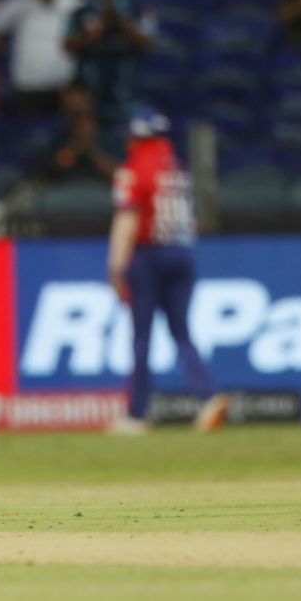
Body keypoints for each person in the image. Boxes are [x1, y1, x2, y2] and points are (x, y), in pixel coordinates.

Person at [106, 108, 229, 435]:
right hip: (181, 253)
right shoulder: (177, 170)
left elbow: (127, 220)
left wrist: (117, 268)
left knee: (142, 337)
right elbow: (193, 220)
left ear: (135, 138)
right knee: (181, 333)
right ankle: (208, 397)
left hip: (148, 255)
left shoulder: (132, 171)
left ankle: (136, 414)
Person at [66, 0, 155, 140]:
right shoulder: (82, 11)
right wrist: (95, 30)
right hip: (92, 97)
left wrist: (120, 22)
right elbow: (67, 44)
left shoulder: (136, 9)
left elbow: (148, 43)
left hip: (127, 94)